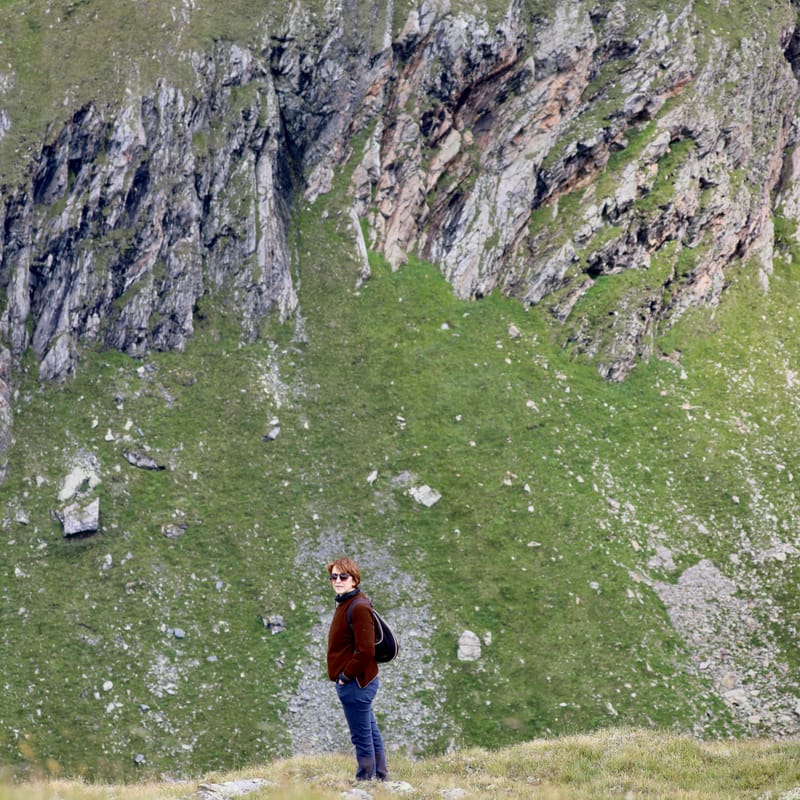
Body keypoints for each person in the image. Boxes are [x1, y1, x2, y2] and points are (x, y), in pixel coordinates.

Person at [326, 557, 388, 782]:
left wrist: (345, 677)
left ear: (354, 579)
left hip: (356, 683)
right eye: (334, 576)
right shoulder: (347, 602)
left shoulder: (358, 607)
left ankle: (366, 780)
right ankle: (380, 777)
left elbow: (365, 650)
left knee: (361, 736)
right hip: (359, 681)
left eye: (343, 576)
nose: (337, 580)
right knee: (369, 730)